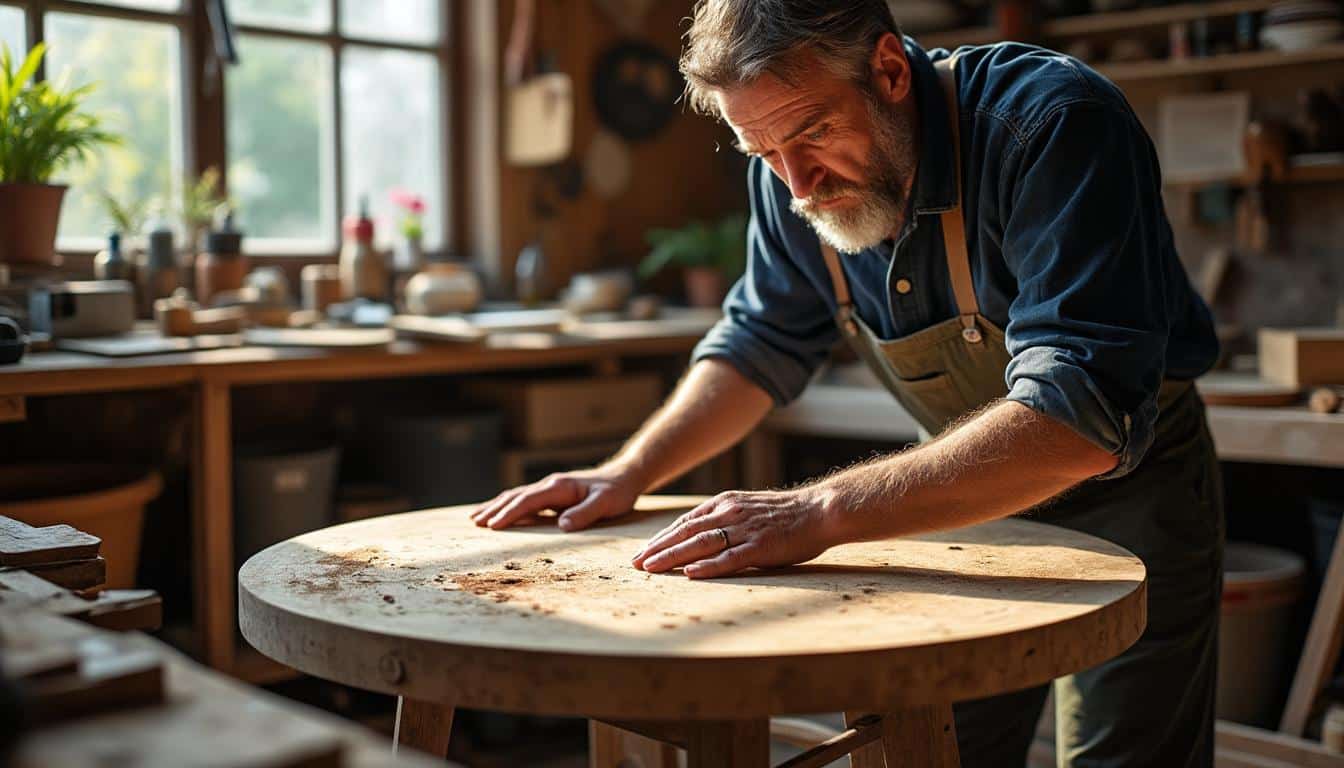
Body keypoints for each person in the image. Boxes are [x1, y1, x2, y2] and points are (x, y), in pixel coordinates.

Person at [472, 1, 1223, 764]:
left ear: (890, 71)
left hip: (1135, 494)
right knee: (942, 747)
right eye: (760, 151)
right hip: (961, 497)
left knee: (1125, 755)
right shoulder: (791, 176)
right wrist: (626, 472)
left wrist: (818, 510)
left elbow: (1080, 411)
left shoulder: (1052, 124)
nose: (796, 182)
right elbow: (759, 341)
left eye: (811, 134)